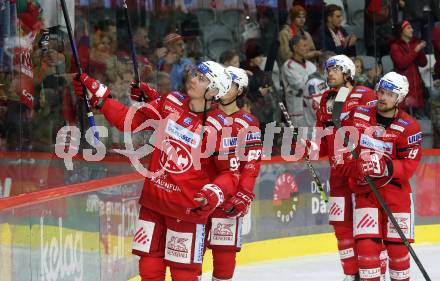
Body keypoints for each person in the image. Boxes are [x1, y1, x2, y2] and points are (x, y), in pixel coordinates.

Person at [73, 61, 239, 281]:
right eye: (195, 74)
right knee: (149, 266)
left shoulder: (221, 127)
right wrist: (102, 100)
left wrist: (213, 193)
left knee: (184, 273)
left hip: (187, 210)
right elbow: (128, 121)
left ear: (214, 91)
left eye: (201, 79)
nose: (192, 79)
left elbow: (230, 173)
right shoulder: (170, 102)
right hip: (153, 203)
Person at [344, 72, 422, 281]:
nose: (383, 97)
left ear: (400, 98)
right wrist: (356, 165)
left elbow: (409, 166)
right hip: (366, 191)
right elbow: (345, 145)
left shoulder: (410, 127)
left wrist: (385, 165)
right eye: (381, 91)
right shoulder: (359, 114)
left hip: (395, 196)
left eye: (389, 94)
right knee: (367, 251)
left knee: (398, 255)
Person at [314, 54, 380, 281]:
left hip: (362, 171)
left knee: (367, 228)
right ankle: (351, 274)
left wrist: (370, 160)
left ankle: (372, 273)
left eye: (335, 69)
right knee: (341, 228)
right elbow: (322, 138)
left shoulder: (366, 95)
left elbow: (377, 132)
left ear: (347, 72)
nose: (330, 73)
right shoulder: (326, 98)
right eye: (328, 69)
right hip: (338, 172)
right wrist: (308, 147)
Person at [206, 66, 262, 281]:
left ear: (240, 91)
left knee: (224, 255)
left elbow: (252, 163)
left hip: (228, 197)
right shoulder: (204, 114)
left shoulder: (249, 123)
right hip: (198, 193)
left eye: (229, 84)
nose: (222, 87)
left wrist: (244, 193)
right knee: (191, 256)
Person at [390, 20, 427, 115]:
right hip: (404, 91)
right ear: (402, 31)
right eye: (409, 28)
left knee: (420, 122)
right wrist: (416, 51)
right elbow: (401, 64)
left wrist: (420, 51)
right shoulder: (395, 47)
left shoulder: (415, 44)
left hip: (416, 89)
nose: (412, 30)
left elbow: (423, 63)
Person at [282, 35, 317, 127]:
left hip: (312, 109)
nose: (307, 48)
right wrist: (313, 79)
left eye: (307, 46)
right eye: (304, 46)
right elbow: (299, 84)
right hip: (297, 110)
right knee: (299, 139)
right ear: (295, 48)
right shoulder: (289, 65)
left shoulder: (311, 65)